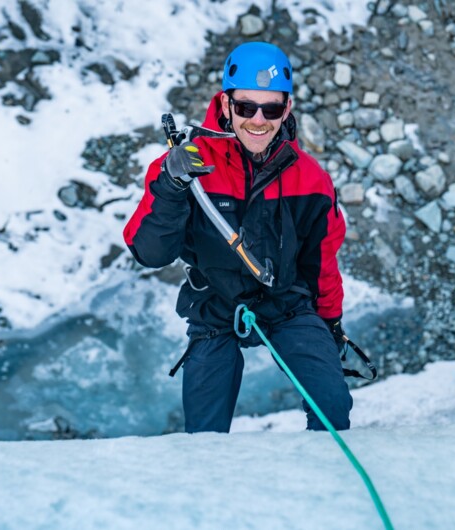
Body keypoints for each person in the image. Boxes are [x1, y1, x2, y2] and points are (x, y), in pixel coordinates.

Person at [122, 42, 352, 433]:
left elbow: (321, 262)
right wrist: (171, 187)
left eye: (271, 109)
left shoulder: (311, 180)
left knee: (332, 404)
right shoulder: (184, 166)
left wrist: (330, 326)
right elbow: (150, 252)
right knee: (205, 433)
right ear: (226, 105)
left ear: (287, 109)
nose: (258, 120)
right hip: (215, 306)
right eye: (246, 107)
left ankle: (321, 486)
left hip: (287, 305)